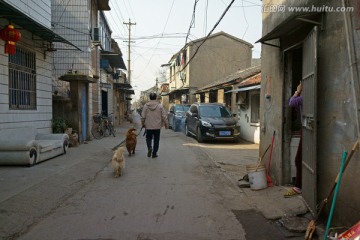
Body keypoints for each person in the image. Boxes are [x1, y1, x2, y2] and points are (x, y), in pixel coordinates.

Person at [284, 82, 303, 197]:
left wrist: (298, 91)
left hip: (306, 130)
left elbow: (291, 102)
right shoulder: (304, 98)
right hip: (304, 129)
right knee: (300, 160)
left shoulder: (302, 98)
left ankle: (298, 187)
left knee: (298, 160)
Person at [141, 92, 168, 158]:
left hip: (148, 126)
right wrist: (166, 124)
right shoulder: (160, 106)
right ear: (156, 98)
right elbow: (164, 116)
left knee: (148, 138)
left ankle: (149, 147)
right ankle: (154, 153)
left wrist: (143, 124)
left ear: (149, 98)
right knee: (156, 140)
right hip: (157, 127)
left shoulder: (146, 106)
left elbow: (143, 117)